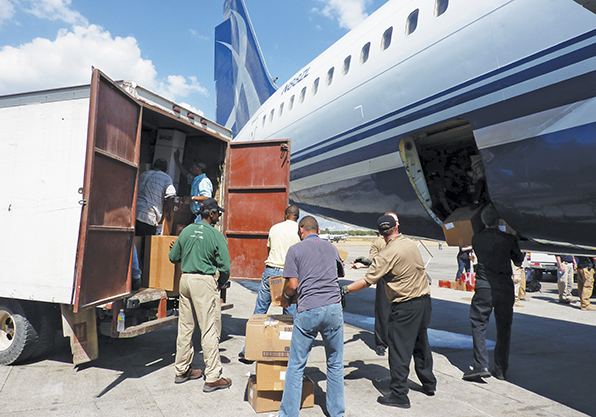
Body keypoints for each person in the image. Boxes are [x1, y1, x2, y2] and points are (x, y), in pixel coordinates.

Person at [343, 214, 436, 409]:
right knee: (421, 343)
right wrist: (370, 262)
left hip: (405, 305)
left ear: (379, 233)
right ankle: (428, 383)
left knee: (399, 349)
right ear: (396, 227)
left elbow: (367, 281)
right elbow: (397, 265)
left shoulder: (387, 252)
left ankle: (399, 394)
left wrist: (345, 289)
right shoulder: (410, 244)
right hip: (424, 302)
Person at [278, 215, 345, 417]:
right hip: (334, 309)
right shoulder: (332, 248)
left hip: (309, 309)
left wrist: (285, 298)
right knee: (334, 363)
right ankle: (337, 413)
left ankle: (289, 414)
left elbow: (292, 285)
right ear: (319, 231)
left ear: (301, 230)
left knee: (296, 365)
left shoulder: (295, 250)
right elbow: (338, 274)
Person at [168, 198, 232, 392]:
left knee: (186, 328)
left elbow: (173, 258)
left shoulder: (186, 231)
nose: (219, 216)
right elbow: (226, 267)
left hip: (185, 280)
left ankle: (182, 370)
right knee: (209, 328)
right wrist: (219, 284)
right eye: (218, 213)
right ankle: (212, 377)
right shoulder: (215, 235)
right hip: (203, 282)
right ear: (211, 214)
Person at [464, 205, 524, 382]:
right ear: (498, 221)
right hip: (504, 287)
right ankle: (500, 370)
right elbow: (518, 260)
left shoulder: (476, 239)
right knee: (504, 328)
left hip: (484, 287)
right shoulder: (508, 239)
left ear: (483, 221)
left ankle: (480, 365)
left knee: (478, 324)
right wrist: (516, 240)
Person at [239, 205, 300, 362]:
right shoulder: (300, 231)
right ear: (297, 217)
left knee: (260, 310)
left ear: (286, 215)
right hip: (289, 274)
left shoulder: (274, 228)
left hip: (271, 272)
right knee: (289, 315)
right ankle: (287, 351)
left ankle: (249, 351)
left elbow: (269, 250)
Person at [350, 212, 399, 357]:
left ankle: (396, 341)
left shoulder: (403, 240)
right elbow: (373, 261)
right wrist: (363, 265)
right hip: (384, 279)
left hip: (399, 280)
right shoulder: (378, 242)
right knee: (383, 313)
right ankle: (381, 343)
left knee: (398, 313)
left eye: (396, 220)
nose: (396, 223)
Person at [135, 158, 176, 236]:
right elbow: (171, 197)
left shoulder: (143, 174)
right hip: (149, 217)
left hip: (135, 214)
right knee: (145, 246)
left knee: (134, 243)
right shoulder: (166, 178)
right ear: (166, 169)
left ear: (153, 166)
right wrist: (168, 212)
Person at [174, 149, 212, 222]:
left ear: (199, 169)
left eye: (193, 167)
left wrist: (191, 198)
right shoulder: (196, 180)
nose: (191, 169)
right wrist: (177, 161)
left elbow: (207, 197)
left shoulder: (203, 181)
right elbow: (186, 174)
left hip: (201, 215)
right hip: (195, 215)